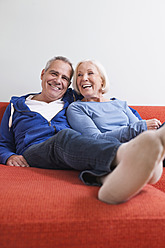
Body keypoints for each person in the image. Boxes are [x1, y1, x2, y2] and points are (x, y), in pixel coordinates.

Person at [0, 56, 165, 205]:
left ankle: (117, 178)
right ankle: (130, 155)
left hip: (73, 150)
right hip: (36, 151)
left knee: (84, 143)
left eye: (65, 78)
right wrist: (9, 156)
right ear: (43, 73)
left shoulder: (70, 98)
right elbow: (3, 142)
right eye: (54, 73)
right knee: (65, 137)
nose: (58, 80)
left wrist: (145, 126)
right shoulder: (16, 106)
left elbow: (99, 98)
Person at [67, 59, 162, 142]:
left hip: (139, 144)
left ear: (102, 80)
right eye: (79, 75)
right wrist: (141, 127)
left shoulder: (119, 104)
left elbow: (140, 131)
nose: (84, 78)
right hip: (116, 151)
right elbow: (95, 139)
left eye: (90, 73)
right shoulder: (76, 108)